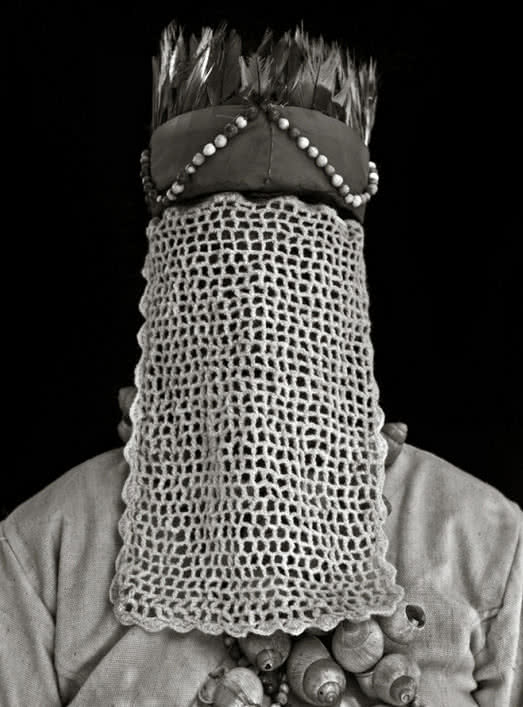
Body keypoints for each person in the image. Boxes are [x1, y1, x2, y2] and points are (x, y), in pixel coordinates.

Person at [1, 22, 521, 707]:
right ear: (175, 291)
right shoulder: (48, 546)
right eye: (224, 268)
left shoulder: (482, 538)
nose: (259, 309)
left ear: (340, 291)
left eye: (294, 271)